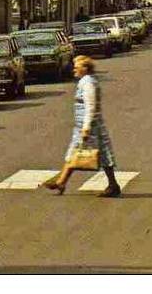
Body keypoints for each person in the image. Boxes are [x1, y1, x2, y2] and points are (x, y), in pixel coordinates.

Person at [43, 55, 120, 197]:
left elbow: (90, 106)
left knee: (95, 154)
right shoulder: (85, 81)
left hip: (90, 126)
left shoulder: (88, 83)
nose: (74, 70)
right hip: (86, 126)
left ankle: (62, 182)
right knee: (83, 153)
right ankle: (62, 182)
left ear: (85, 69)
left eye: (77, 67)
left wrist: (86, 128)